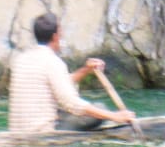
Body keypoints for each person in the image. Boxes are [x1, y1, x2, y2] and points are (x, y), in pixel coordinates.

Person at [8, 13, 136, 132]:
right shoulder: (52, 61)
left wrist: (86, 69)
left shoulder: (21, 59)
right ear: (55, 36)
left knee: (71, 111)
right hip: (41, 130)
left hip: (17, 130)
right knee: (100, 107)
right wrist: (115, 116)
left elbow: (57, 83)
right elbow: (71, 103)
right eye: (60, 32)